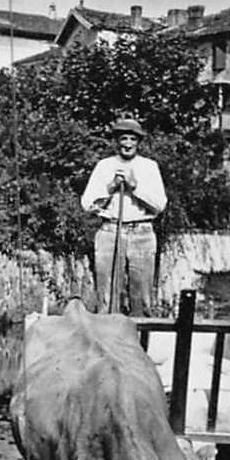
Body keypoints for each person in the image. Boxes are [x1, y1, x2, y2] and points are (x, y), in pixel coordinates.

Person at [80, 117, 167, 315]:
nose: (127, 143)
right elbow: (87, 204)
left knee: (142, 295)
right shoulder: (104, 166)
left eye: (132, 139)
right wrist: (109, 188)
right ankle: (107, 342)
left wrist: (135, 187)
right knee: (107, 296)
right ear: (116, 141)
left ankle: (140, 341)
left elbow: (160, 205)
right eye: (123, 138)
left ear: (138, 142)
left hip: (142, 234)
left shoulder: (149, 167)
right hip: (110, 232)